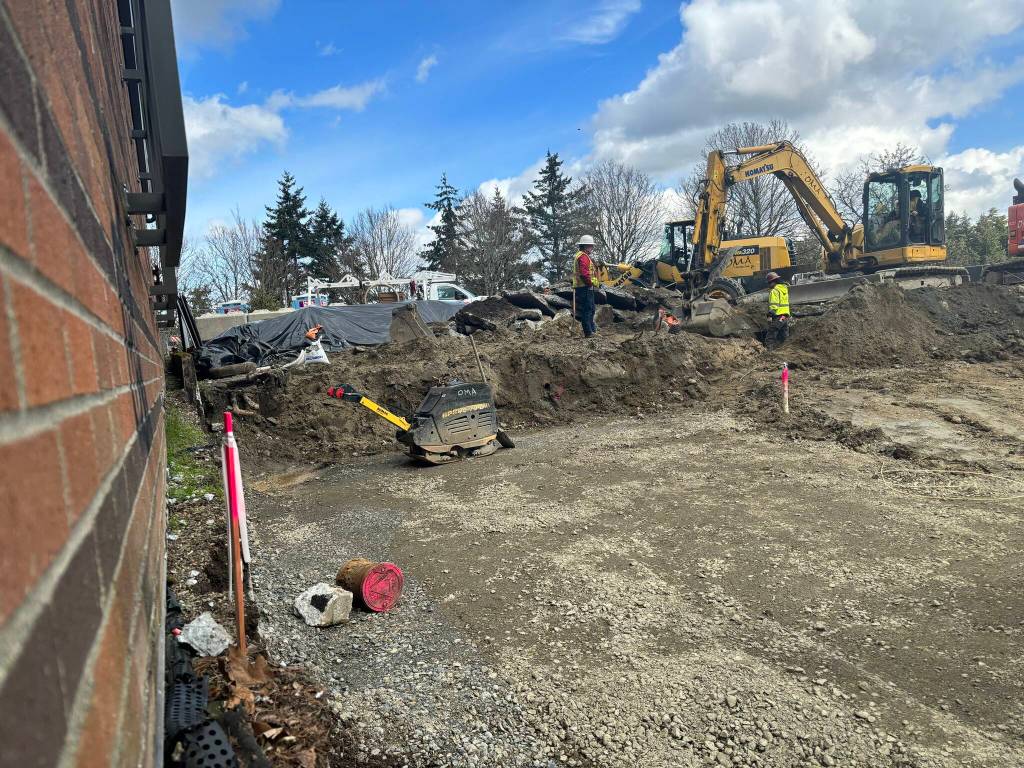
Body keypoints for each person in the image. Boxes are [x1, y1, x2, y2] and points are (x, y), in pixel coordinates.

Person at [572, 234, 600, 338]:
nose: (592, 248)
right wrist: (590, 283)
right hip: (584, 287)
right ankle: (589, 333)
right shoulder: (583, 257)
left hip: (584, 286)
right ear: (585, 246)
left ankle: (592, 331)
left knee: (591, 309)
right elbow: (584, 274)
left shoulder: (583, 256)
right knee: (588, 309)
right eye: (591, 246)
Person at [766, 271, 790, 348]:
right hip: (785, 316)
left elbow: (774, 305)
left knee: (771, 334)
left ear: (773, 282)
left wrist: (769, 316)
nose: (769, 285)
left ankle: (769, 351)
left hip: (779, 316)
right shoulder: (784, 289)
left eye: (769, 283)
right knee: (784, 335)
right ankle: (786, 349)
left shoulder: (774, 291)